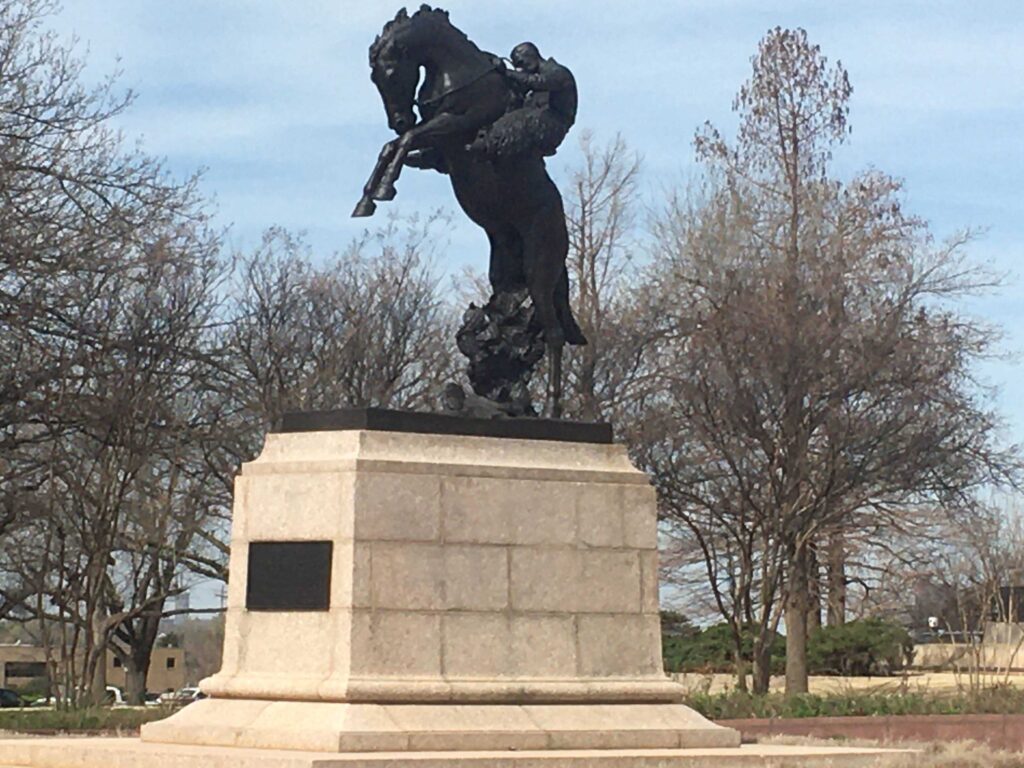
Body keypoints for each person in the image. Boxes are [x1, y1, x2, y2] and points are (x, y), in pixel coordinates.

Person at [467, 42, 577, 159]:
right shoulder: (531, 88)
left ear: (530, 56)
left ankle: (486, 146)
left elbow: (539, 82)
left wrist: (507, 72)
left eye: (520, 62)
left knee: (518, 121)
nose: (520, 68)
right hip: (537, 120)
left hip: (553, 125)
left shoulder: (558, 72)